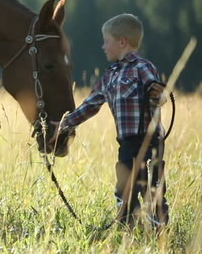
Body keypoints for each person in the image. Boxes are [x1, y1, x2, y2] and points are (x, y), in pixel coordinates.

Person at [55, 13, 169, 230]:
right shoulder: (109, 75)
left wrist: (159, 95)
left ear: (122, 42)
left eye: (106, 41)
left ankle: (158, 229)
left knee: (153, 186)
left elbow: (159, 94)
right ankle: (127, 225)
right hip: (126, 143)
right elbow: (90, 104)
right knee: (124, 185)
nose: (103, 46)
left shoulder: (142, 67)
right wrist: (64, 124)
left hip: (150, 140)